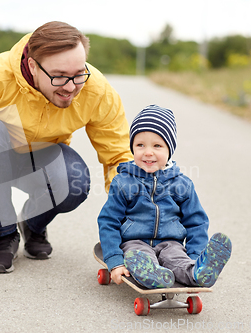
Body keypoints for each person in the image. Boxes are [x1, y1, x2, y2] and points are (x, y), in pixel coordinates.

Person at [0, 21, 132, 273]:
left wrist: (130, 215)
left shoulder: (96, 90)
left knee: (75, 181)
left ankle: (33, 225)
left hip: (42, 161)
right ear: (32, 66)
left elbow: (118, 156)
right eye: (59, 76)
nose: (71, 87)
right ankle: (4, 235)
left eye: (79, 74)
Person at [97, 105, 232, 288]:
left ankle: (198, 272)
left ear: (170, 149)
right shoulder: (123, 182)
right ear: (132, 147)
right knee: (140, 257)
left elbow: (196, 223)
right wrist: (115, 260)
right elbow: (108, 221)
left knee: (177, 261)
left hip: (171, 243)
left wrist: (195, 255)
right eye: (140, 145)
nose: (148, 152)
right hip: (135, 243)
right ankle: (153, 275)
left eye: (157, 145)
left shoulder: (182, 185)